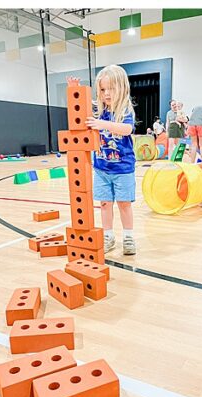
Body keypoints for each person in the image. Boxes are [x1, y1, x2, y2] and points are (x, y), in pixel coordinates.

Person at [72, 65, 137, 255]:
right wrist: (75, 89)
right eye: (102, 89)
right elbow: (78, 107)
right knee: (104, 204)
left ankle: (128, 237)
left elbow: (126, 129)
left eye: (111, 89)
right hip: (101, 168)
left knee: (124, 204)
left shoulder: (125, 110)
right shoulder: (98, 110)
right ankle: (108, 236)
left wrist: (102, 124)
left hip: (123, 168)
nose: (107, 93)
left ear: (122, 88)